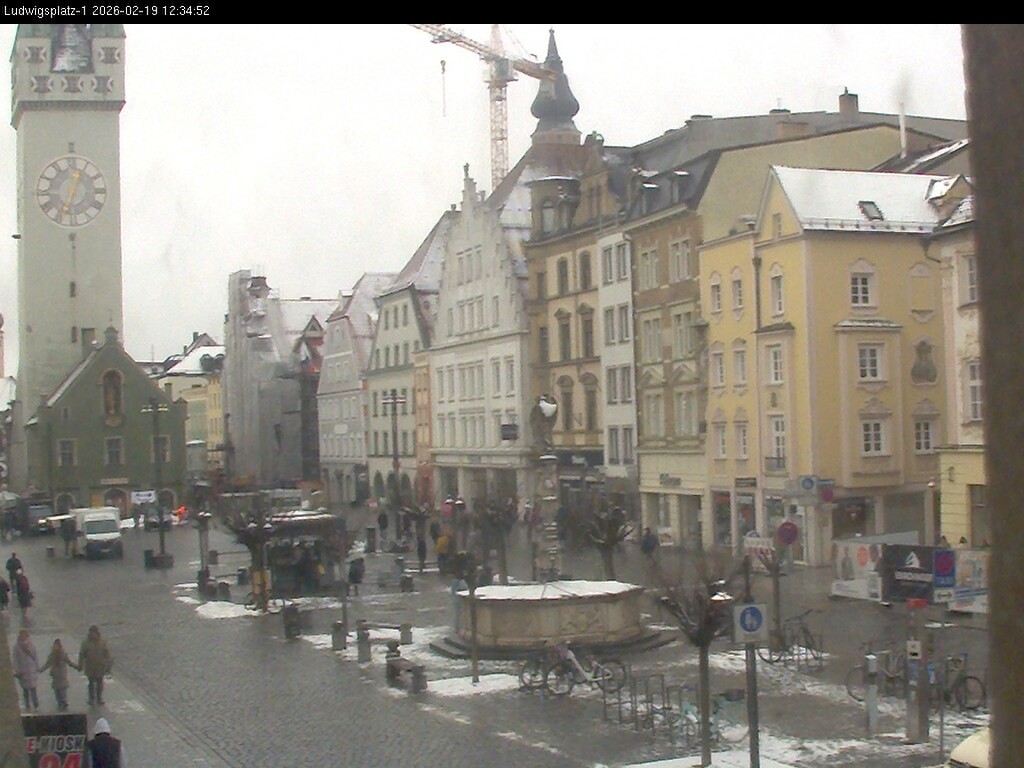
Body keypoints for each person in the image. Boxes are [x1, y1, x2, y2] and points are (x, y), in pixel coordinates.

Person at [40, 638, 79, 711]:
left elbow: (69, 662)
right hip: (57, 675)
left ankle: (63, 702)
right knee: (58, 689)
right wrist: (41, 670)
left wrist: (76, 667)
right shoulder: (55, 655)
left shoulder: (60, 654)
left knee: (61, 689)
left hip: (60, 675)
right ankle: (62, 702)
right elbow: (48, 664)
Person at [78, 625, 113, 706]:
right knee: (91, 683)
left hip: (100, 666)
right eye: (91, 633)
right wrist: (80, 665)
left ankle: (99, 698)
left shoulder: (102, 642)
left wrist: (109, 663)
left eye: (93, 633)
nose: (92, 635)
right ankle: (91, 699)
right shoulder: (86, 643)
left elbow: (106, 653)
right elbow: (82, 654)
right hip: (90, 666)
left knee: (99, 683)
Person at [12, 629, 40, 711]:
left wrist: (37, 667)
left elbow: (35, 656)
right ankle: (27, 705)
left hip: (31, 669)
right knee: (25, 689)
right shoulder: (17, 647)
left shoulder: (31, 645)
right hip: (23, 670)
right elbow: (15, 659)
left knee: (33, 688)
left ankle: (35, 704)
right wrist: (17, 670)